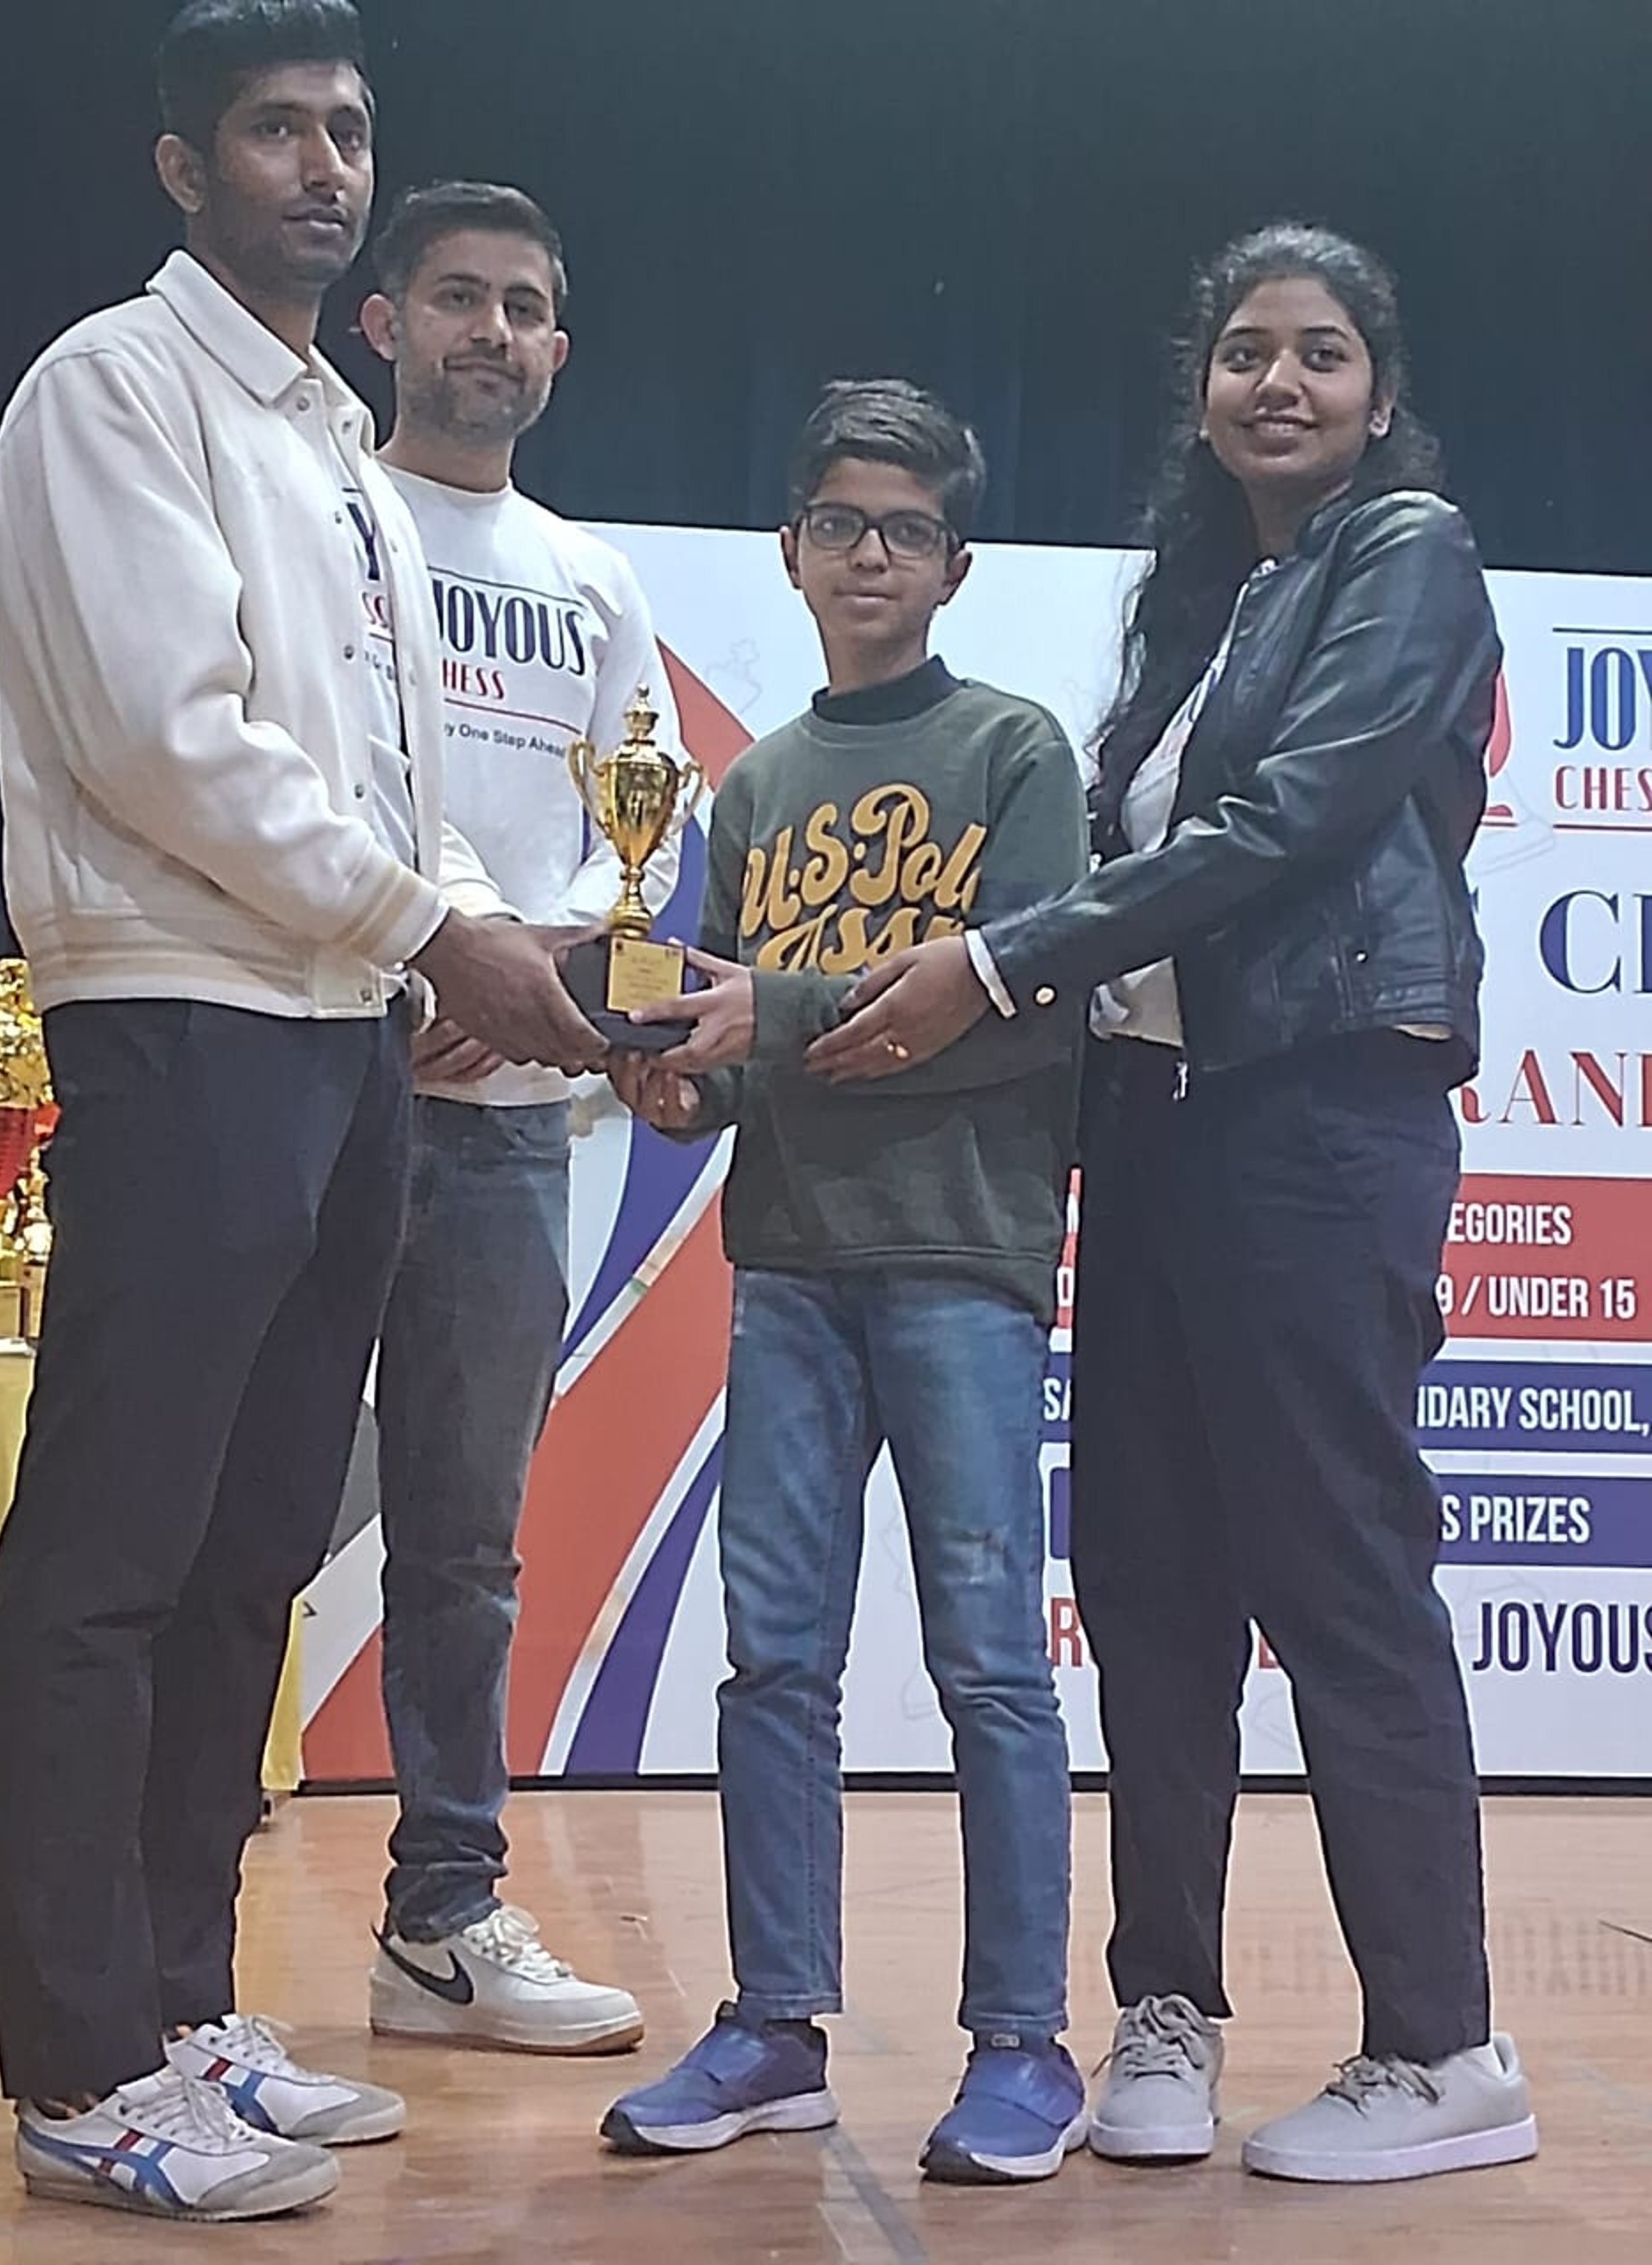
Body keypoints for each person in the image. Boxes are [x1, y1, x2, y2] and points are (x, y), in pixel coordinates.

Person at [810, 225, 1540, 2186]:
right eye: (1243, 353)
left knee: (1340, 1571)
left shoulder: (1409, 555)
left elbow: (1284, 825)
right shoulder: (1201, 604)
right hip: (1153, 1131)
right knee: (1145, 1585)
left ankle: (1443, 2047)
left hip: (1318, 1115)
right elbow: (1137, 859)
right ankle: (1167, 2008)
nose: (1277, 383)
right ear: (1200, 392)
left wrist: (995, 960)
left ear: (1379, 391)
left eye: (1320, 352)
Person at [0, 0, 603, 2225]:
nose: (325, 166)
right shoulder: (109, 389)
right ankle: (79, 2071)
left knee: (249, 1555)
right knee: (112, 1557)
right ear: (183, 167)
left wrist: (461, 944)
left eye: (347, 128)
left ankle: (178, 2010)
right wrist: (436, 926)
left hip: (342, 1032)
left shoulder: (338, 433)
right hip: (183, 1013)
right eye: (274, 129)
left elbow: (388, 782)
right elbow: (169, 741)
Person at [599, 380, 1088, 2184]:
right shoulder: (750, 784)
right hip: (792, 1261)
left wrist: (773, 1019)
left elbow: (1021, 1018)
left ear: (954, 564)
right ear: (790, 552)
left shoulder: (1015, 752)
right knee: (774, 1659)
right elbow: (750, 1046)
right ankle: (775, 2025)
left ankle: (1023, 2041)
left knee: (990, 1664)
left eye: (904, 529)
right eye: (837, 524)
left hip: (961, 1256)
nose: (868, 554)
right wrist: (679, 1079)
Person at [355, 180, 672, 2054]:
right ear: (382, 322)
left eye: (525, 306)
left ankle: (443, 1917)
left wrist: (545, 990)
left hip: (502, 1116)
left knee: (465, 1537)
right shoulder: (331, 513)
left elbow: (641, 844)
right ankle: (172, 1931)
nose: (493, 331)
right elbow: (314, 772)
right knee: (237, 1507)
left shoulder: (592, 579)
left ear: (559, 347)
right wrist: (433, 965)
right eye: (458, 296)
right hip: (327, 1063)